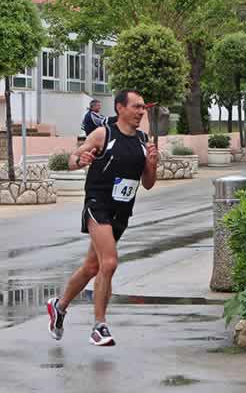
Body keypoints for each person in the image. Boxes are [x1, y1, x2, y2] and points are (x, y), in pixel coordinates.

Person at [47, 90, 158, 346]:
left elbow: (149, 184)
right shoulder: (104, 133)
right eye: (136, 106)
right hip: (98, 205)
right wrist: (80, 159)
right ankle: (99, 326)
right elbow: (73, 159)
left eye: (143, 107)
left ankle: (59, 307)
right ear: (120, 108)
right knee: (109, 263)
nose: (141, 111)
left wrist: (152, 163)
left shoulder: (143, 140)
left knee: (92, 267)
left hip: (121, 211)